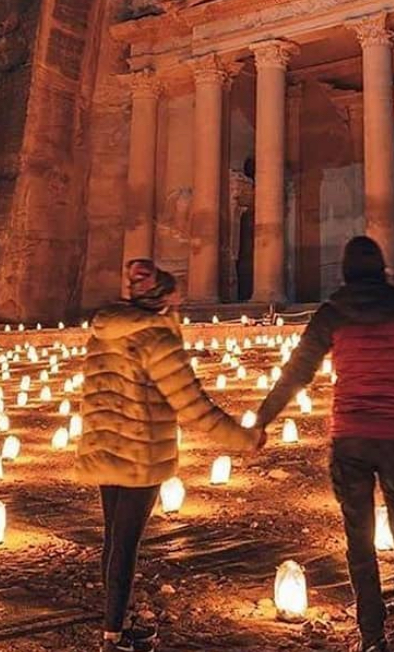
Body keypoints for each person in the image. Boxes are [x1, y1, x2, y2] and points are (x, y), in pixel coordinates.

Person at [254, 236, 394, 652]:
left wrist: (262, 419)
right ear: (380, 270)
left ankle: (372, 637)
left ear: (345, 270)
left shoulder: (333, 312)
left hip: (351, 437)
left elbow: (297, 372)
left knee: (359, 541)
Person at [72, 258, 257, 651]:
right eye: (177, 301)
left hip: (106, 448)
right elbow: (192, 404)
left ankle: (116, 625)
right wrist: (242, 438)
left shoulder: (106, 329)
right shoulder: (157, 336)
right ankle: (113, 637)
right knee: (126, 544)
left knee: (114, 539)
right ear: (164, 302)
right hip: (141, 453)